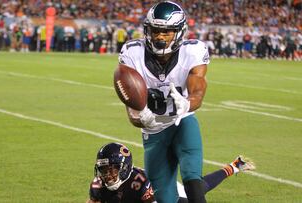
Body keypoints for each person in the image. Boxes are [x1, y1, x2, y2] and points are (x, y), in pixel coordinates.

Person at [117, 1, 210, 202]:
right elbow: (130, 104)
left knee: (192, 178)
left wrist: (187, 103)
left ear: (179, 31)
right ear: (147, 30)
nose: (159, 36)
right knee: (164, 197)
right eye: (156, 30)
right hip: (153, 130)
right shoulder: (132, 52)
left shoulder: (192, 51)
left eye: (167, 32)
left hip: (182, 121)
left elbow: (198, 89)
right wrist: (141, 117)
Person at [87, 143, 255, 203]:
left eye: (112, 170)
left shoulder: (139, 183)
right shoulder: (98, 185)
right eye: (103, 170)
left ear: (124, 168)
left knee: (198, 191)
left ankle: (234, 166)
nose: (107, 175)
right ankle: (234, 165)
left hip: (165, 190)